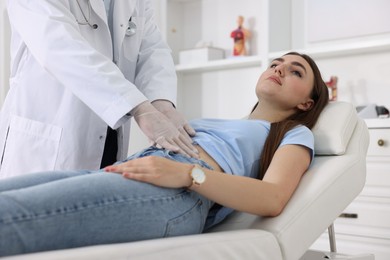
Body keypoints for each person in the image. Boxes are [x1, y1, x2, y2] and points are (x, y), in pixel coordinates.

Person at [0, 52, 329, 256]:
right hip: (133, 171)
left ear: (306, 104)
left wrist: (187, 175)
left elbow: (272, 198)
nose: (280, 68)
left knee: (15, 215)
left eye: (296, 71)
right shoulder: (231, 123)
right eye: (276, 63)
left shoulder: (293, 134)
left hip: (175, 193)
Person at [0, 0, 198, 179]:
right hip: (47, 140)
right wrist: (140, 107)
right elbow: (59, 47)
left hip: (109, 132)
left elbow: (152, 49)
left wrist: (161, 103)